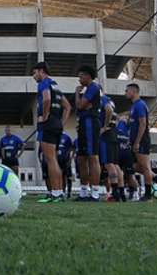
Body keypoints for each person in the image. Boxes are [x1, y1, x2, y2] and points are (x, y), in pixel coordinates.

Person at [33, 61, 72, 203]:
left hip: (48, 124)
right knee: (53, 159)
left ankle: (56, 193)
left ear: (41, 71)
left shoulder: (44, 83)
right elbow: (68, 107)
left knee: (49, 159)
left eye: (34, 73)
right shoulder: (55, 85)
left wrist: (44, 115)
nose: (34, 76)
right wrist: (61, 123)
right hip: (56, 124)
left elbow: (47, 98)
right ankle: (58, 192)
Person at [75, 66, 102, 201]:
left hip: (91, 123)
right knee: (81, 158)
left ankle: (95, 192)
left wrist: (77, 95)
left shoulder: (93, 88)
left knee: (93, 157)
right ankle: (84, 191)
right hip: (83, 124)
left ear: (88, 76)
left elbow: (80, 105)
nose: (79, 79)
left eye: (81, 76)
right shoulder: (86, 90)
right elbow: (79, 107)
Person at [126, 83, 154, 201]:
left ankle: (148, 195)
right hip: (134, 140)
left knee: (145, 167)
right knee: (134, 166)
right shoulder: (133, 106)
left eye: (127, 91)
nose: (125, 93)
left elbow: (143, 123)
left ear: (133, 91)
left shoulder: (140, 105)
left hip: (141, 140)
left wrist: (137, 142)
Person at [99, 95, 124, 202]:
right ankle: (121, 192)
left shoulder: (102, 99)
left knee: (109, 164)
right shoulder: (110, 100)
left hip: (107, 135)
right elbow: (116, 116)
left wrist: (105, 126)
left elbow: (108, 109)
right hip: (113, 133)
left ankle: (115, 193)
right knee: (115, 164)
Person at [115, 114, 138, 201]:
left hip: (127, 154)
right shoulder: (117, 127)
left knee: (130, 176)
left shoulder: (129, 129)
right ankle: (121, 193)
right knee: (120, 174)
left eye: (125, 118)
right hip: (118, 154)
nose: (123, 119)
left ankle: (135, 192)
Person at [57, 131, 74, 198]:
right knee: (60, 176)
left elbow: (71, 148)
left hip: (66, 160)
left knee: (68, 176)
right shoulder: (54, 136)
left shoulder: (66, 137)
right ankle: (62, 191)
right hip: (57, 160)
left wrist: (69, 158)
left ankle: (69, 192)